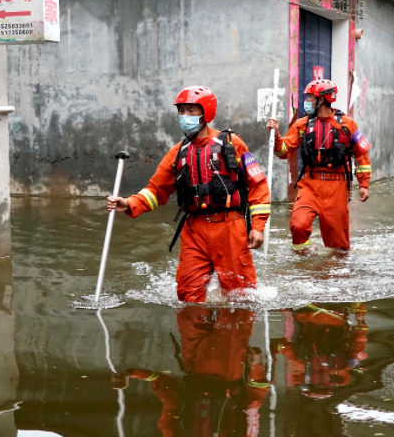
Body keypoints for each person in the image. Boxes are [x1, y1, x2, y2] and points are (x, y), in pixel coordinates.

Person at [107, 86, 271, 303]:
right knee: (187, 296)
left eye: (191, 111)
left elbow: (257, 185)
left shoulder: (231, 144)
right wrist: (128, 203)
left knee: (241, 298)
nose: (185, 117)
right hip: (195, 231)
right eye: (181, 111)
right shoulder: (177, 153)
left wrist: (258, 227)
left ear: (206, 113)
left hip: (230, 228)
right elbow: (156, 191)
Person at [111, 307, 269, 437]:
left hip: (194, 360)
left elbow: (166, 390)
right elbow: (252, 406)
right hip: (227, 366)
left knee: (190, 305)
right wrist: (256, 368)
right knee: (236, 304)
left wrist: (131, 373)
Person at [266, 79, 371, 252]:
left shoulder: (347, 124)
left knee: (338, 243)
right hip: (310, 184)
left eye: (309, 98)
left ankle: (336, 274)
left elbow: (361, 154)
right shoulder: (302, 124)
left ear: (321, 100)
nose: (306, 102)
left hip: (337, 186)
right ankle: (304, 261)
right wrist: (276, 135)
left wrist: (364, 184)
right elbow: (283, 151)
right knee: (298, 225)